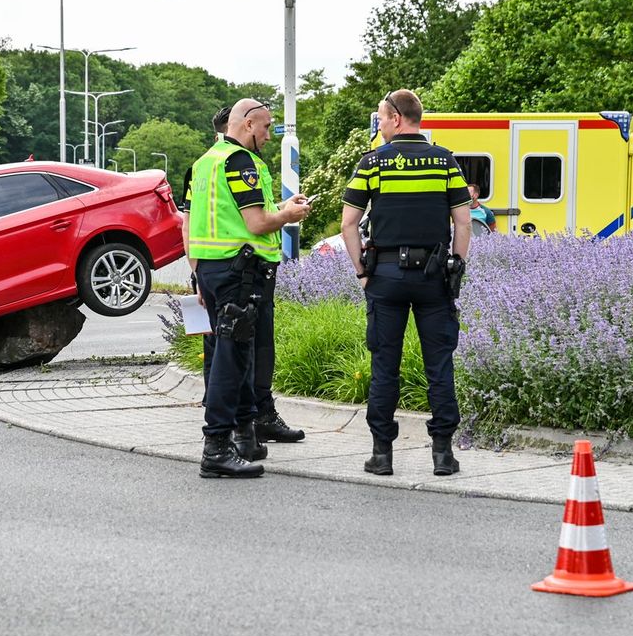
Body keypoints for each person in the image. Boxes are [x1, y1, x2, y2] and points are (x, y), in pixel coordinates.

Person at [340, 89, 472, 477]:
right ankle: (443, 455)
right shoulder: (445, 161)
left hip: (385, 278)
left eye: (381, 118)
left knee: (384, 366)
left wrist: (362, 271)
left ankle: (382, 455)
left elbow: (349, 222)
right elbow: (463, 222)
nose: (379, 125)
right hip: (433, 278)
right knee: (439, 365)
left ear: (397, 118)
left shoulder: (373, 163)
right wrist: (456, 267)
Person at [187, 99, 311, 478]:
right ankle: (217, 448)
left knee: (228, 354)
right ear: (246, 124)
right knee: (233, 358)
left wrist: (196, 272)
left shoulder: (204, 162)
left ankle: (244, 435)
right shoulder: (240, 162)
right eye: (266, 127)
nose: (269, 136)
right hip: (240, 272)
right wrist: (288, 215)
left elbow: (190, 221)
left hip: (211, 270)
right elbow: (256, 224)